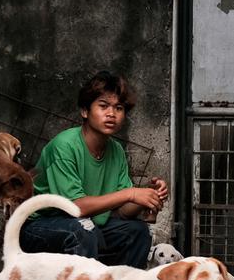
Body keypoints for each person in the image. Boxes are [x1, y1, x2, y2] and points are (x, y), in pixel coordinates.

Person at [19, 71, 167, 268]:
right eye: (103, 106)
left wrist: (146, 196)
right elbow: (76, 207)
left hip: (88, 225)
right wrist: (130, 193)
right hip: (38, 227)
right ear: (85, 111)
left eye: (119, 108)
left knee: (137, 231)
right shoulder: (65, 146)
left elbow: (123, 212)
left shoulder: (116, 151)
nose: (111, 114)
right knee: (83, 230)